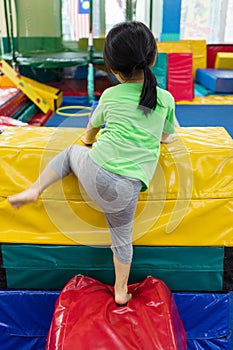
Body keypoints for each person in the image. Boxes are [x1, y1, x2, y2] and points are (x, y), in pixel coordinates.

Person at [8, 21, 177, 305]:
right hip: (127, 189)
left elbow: (89, 134)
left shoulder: (109, 96)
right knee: (122, 242)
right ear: (153, 57)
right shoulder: (165, 99)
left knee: (71, 155)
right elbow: (165, 135)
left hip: (96, 171)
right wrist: (163, 141)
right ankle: (121, 290)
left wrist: (88, 141)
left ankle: (35, 189)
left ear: (111, 68)